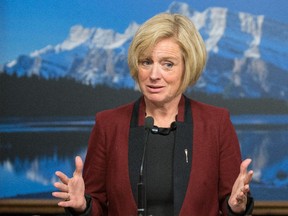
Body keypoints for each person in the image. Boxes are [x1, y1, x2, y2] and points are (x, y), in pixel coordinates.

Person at [52, 13, 254, 215]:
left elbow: (230, 202)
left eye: (168, 64)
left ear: (187, 67)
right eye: (146, 62)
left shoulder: (216, 123)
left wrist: (236, 206)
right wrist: (83, 206)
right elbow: (96, 203)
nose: (154, 75)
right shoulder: (108, 124)